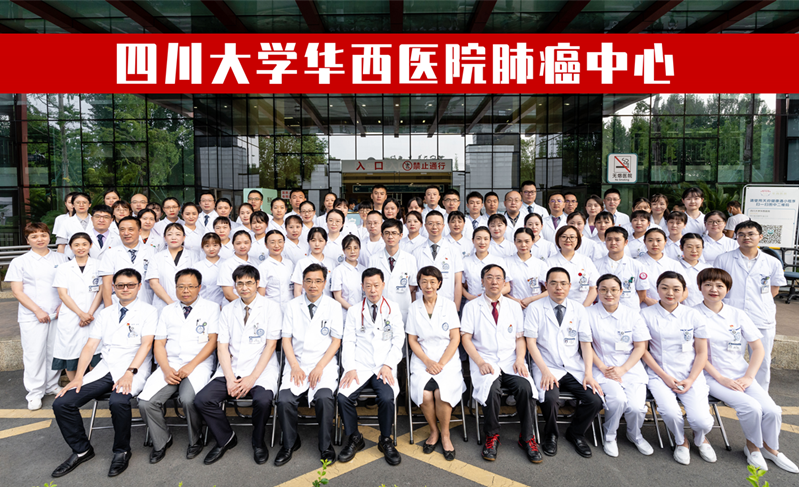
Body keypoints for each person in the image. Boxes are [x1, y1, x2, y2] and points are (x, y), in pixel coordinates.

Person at [51, 269, 157, 478]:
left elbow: (146, 345)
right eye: (120, 285)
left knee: (118, 401)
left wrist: (129, 372)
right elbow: (90, 346)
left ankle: (121, 451)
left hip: (134, 367)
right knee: (62, 403)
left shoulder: (149, 311)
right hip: (106, 366)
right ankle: (82, 450)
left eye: (130, 285)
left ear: (139, 286)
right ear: (113, 287)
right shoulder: (105, 313)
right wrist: (79, 377)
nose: (125, 289)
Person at [696, 268, 798, 473]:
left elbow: (758, 348)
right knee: (751, 408)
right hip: (711, 376)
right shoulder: (692, 314)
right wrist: (721, 379)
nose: (713, 289)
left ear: (727, 289)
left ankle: (771, 449)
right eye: (708, 284)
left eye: (719, 285)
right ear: (700, 287)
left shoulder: (737, 314)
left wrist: (749, 377)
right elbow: (697, 355)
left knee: (773, 410)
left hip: (741, 374)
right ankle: (753, 448)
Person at [195, 265, 283, 465]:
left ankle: (258, 441)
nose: (244, 288)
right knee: (202, 400)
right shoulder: (228, 310)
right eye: (240, 283)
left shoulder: (271, 308)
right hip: (232, 368)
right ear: (234, 285)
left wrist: (252, 378)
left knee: (262, 401)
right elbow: (222, 347)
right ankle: (226, 438)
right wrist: (229, 378)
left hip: (261, 370)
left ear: (257, 283)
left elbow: (271, 346)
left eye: (249, 283)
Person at [138, 269, 219, 463]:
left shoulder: (212, 308)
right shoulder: (167, 310)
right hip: (171, 363)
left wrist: (191, 365)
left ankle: (196, 439)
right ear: (175, 288)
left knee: (188, 399)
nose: (186, 291)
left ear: (199, 287)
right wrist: (166, 369)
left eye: (191, 286)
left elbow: (212, 341)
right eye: (181, 286)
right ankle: (161, 440)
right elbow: (159, 343)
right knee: (146, 403)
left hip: (198, 364)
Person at [461, 264, 539, 463]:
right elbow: (466, 338)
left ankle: (527, 438)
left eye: (498, 278)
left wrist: (520, 359)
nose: (494, 281)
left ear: (505, 282)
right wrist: (480, 362)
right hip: (485, 359)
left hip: (510, 360)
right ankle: (492, 436)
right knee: (492, 389)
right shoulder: (472, 307)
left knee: (525, 388)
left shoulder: (514, 306)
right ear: (482, 281)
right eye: (489, 277)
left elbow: (520, 338)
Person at [525, 267, 603, 459]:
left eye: (563, 283)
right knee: (550, 399)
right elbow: (531, 343)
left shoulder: (578, 309)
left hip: (574, 366)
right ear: (546, 285)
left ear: (569, 286)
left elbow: (585, 343)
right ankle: (550, 434)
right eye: (553, 283)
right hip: (547, 365)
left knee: (594, 400)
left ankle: (576, 433)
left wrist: (588, 373)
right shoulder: (535, 308)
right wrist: (545, 371)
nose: (558, 287)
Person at [641, 271, 715, 465]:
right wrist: (664, 376)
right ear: (657, 289)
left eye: (676, 289)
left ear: (684, 291)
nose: (670, 293)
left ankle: (700, 437)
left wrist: (691, 378)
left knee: (701, 421)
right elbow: (643, 351)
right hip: (659, 373)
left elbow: (701, 352)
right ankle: (681, 441)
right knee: (670, 412)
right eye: (664, 288)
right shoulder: (645, 314)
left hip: (690, 372)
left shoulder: (693, 315)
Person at [276, 264, 343, 467]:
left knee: (324, 398)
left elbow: (336, 341)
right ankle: (289, 443)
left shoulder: (333, 306)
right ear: (303, 283)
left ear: (325, 283)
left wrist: (320, 366)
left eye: (318, 281)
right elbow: (286, 339)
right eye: (309, 281)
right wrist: (295, 366)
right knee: (284, 400)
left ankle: (325, 445)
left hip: (324, 363)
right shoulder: (292, 306)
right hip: (297, 362)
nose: (313, 285)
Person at [337, 268, 404, 466]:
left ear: (383, 285)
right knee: (343, 397)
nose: (372, 290)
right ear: (362, 287)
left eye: (376, 285)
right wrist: (350, 367)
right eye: (368, 286)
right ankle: (355, 438)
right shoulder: (354, 311)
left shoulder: (393, 308)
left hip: (383, 365)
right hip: (360, 365)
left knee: (386, 397)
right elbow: (348, 341)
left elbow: (398, 340)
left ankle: (385, 440)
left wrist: (388, 364)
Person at [713, 221, 785, 392]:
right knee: (730, 358)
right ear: (736, 237)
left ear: (760, 236)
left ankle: (760, 393)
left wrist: (757, 303)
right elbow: (716, 286)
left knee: (762, 359)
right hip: (732, 316)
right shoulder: (723, 259)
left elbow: (774, 289)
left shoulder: (772, 262)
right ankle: (733, 392)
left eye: (751, 234)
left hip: (761, 317)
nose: (746, 237)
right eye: (741, 234)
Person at [587, 275, 653, 457]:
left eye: (614, 290)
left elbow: (640, 347)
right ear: (597, 291)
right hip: (602, 368)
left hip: (630, 368)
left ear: (621, 291)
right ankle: (610, 435)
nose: (609, 294)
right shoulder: (588, 313)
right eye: (603, 290)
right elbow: (586, 346)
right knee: (618, 400)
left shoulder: (632, 314)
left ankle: (635, 434)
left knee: (637, 407)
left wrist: (623, 369)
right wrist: (602, 367)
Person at [7, 222, 69, 410]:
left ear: (49, 236)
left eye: (43, 235)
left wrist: (63, 305)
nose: (40, 239)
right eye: (34, 236)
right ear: (27, 240)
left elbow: (68, 284)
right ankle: (34, 392)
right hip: (32, 315)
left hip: (58, 312)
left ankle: (51, 385)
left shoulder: (61, 258)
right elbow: (17, 291)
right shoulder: (20, 262)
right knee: (34, 354)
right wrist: (37, 310)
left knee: (54, 351)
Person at [406, 266, 465, 461]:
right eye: (424, 281)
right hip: (423, 358)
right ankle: (434, 431)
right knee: (424, 393)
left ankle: (446, 434)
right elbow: (412, 339)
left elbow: (455, 338)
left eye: (432, 282)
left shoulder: (448, 305)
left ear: (439, 283)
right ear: (419, 284)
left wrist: (440, 363)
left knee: (442, 393)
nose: (428, 286)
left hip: (447, 358)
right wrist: (427, 361)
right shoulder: (414, 307)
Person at [52, 233, 104, 382]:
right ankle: (74, 386)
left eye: (84, 244)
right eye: (76, 245)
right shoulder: (63, 268)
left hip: (93, 314)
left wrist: (89, 314)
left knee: (95, 352)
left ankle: (91, 387)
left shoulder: (99, 265)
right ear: (70, 247)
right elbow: (63, 294)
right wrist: (81, 314)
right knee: (71, 352)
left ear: (90, 245)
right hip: (71, 315)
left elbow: (101, 291)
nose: (81, 248)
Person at [100, 216, 156, 306]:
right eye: (122, 230)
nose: (126, 233)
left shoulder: (152, 251)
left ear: (140, 231)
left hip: (146, 301)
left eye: (131, 229)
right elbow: (107, 285)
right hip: (118, 303)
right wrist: (108, 309)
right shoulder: (110, 253)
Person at [369, 219, 419, 321]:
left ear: (401, 236)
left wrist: (399, 290)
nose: (390, 236)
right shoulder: (374, 259)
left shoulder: (410, 259)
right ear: (382, 236)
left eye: (394, 233)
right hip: (381, 308)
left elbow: (413, 285)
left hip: (402, 308)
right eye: (387, 233)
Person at [414, 211, 464, 308]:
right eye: (430, 223)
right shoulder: (417, 252)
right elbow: (414, 284)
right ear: (425, 226)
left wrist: (456, 308)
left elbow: (458, 282)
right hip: (422, 304)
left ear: (443, 226)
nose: (434, 227)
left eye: (438, 223)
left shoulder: (454, 250)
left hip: (447, 303)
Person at [148, 222, 198, 313]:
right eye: (170, 234)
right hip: (163, 305)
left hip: (188, 304)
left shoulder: (193, 256)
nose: (173, 238)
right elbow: (153, 283)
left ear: (184, 237)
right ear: (164, 238)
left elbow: (196, 282)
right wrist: (170, 303)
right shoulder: (156, 257)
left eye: (178, 234)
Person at [595, 227, 648, 310]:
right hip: (603, 309)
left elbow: (642, 292)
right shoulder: (596, 264)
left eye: (617, 240)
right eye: (609, 239)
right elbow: (593, 289)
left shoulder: (636, 265)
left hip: (629, 310)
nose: (613, 243)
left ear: (626, 242)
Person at [545, 226, 598, 307]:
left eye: (572, 237)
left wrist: (583, 308)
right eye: (564, 236)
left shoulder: (586, 261)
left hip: (583, 307)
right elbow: (545, 289)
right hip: (556, 307)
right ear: (558, 239)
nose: (568, 240)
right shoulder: (549, 262)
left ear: (578, 240)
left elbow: (594, 288)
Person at [636, 228, 685, 307]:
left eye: (658, 240)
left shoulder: (674, 264)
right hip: (645, 307)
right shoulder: (636, 264)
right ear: (644, 241)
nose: (655, 244)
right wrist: (645, 299)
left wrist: (669, 303)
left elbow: (685, 290)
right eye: (650, 240)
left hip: (671, 308)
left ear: (665, 241)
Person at [504, 228, 549, 309]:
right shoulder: (505, 262)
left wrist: (531, 299)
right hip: (511, 306)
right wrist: (514, 300)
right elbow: (500, 289)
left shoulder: (540, 264)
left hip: (535, 306)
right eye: (519, 241)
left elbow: (550, 290)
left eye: (527, 241)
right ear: (514, 242)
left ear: (533, 241)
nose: (523, 245)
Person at [462, 226, 508, 302]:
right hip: (472, 301)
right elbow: (460, 285)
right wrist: (469, 296)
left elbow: (507, 286)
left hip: (494, 302)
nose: (482, 242)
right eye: (478, 238)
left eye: (486, 239)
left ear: (490, 240)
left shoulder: (498, 261)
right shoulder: (465, 261)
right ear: (473, 240)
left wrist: (488, 295)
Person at [291, 227, 338, 298]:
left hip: (327, 303)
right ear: (308, 242)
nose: (317, 244)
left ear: (326, 242)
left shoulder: (332, 263)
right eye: (313, 240)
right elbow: (297, 291)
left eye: (320, 241)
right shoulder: (302, 263)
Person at [331, 235, 366, 321]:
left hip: (363, 313)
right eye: (348, 248)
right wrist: (353, 310)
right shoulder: (338, 271)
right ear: (343, 250)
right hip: (345, 314)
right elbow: (337, 297)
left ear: (359, 249)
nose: (352, 251)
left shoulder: (364, 270)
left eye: (355, 248)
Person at [257, 229, 295, 309]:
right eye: (272, 242)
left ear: (284, 243)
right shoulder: (263, 267)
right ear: (266, 245)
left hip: (290, 307)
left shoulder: (290, 263)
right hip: (271, 309)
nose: (277, 245)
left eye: (280, 241)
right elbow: (261, 294)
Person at [218, 230, 260, 302]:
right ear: (233, 244)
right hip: (234, 305)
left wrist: (254, 304)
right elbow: (228, 294)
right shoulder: (227, 264)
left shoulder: (257, 263)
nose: (242, 246)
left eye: (246, 243)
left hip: (256, 304)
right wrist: (246, 304)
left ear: (251, 243)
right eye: (238, 243)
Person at [192, 233, 225, 307]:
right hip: (202, 306)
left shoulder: (227, 264)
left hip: (224, 306)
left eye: (215, 245)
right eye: (207, 246)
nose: (211, 249)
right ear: (202, 247)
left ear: (220, 246)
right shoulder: (196, 267)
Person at [678, 233, 711, 308]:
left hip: (705, 309)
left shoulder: (709, 269)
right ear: (681, 247)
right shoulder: (674, 267)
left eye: (698, 247)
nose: (694, 251)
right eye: (689, 247)